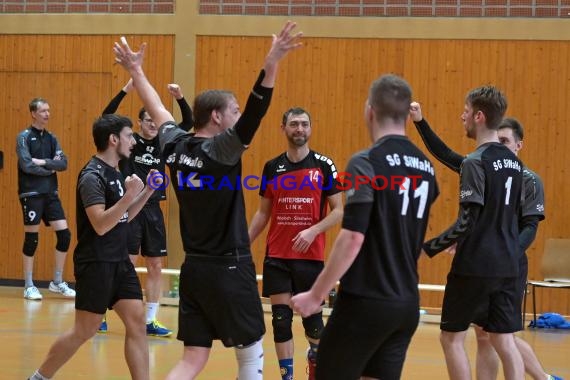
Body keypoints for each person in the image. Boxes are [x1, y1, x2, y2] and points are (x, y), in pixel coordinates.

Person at [113, 21, 302, 379]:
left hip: (195, 268)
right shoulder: (222, 150)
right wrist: (272, 60)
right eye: (232, 112)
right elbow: (257, 109)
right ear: (217, 116)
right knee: (250, 354)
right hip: (230, 265)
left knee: (193, 358)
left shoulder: (175, 145)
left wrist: (136, 70)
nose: (237, 119)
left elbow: (156, 109)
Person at [291, 74, 439, 380]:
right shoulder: (426, 166)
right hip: (406, 304)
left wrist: (316, 294)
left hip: (366, 301)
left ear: (370, 110)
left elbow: (353, 236)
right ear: (405, 116)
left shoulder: (366, 161)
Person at [409, 105, 558, 380]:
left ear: (518, 145)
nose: (498, 145)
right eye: (497, 139)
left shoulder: (528, 178)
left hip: (507, 260)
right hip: (488, 257)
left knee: (501, 337)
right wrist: (420, 122)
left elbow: (530, 228)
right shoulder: (481, 164)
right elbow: (445, 154)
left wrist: (505, 251)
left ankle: (544, 377)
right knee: (487, 336)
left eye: (504, 141)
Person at [28, 113, 157, 380]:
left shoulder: (118, 172)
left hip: (120, 262)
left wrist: (146, 193)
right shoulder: (91, 176)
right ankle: (39, 377)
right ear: (113, 139)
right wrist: (129, 195)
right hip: (96, 263)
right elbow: (100, 224)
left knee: (137, 323)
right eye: (129, 135)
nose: (133, 141)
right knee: (84, 330)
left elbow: (123, 217)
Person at [419, 86, 525, 380]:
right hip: (508, 263)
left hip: (476, 265)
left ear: (479, 116)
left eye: (465, 111)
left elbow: (468, 220)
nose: (461, 116)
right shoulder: (515, 163)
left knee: (451, 338)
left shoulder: (475, 162)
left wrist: (427, 247)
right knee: (504, 340)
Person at [248, 107, 343, 380]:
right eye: (293, 124)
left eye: (304, 124)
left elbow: (339, 210)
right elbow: (263, 213)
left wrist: (313, 231)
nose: (299, 129)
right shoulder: (272, 167)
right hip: (277, 255)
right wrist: (243, 244)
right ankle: (286, 377)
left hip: (310, 257)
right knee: (280, 322)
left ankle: (316, 362)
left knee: (313, 324)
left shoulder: (324, 165)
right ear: (283, 129)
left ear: (310, 129)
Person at [98, 80, 194, 336]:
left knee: (155, 264)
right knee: (123, 263)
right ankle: (101, 313)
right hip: (129, 208)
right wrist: (126, 90)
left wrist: (181, 98)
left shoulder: (166, 142)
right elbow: (106, 116)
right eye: (148, 119)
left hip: (153, 209)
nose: (153, 123)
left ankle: (150, 320)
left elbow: (188, 123)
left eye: (156, 120)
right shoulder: (129, 143)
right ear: (139, 122)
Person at [17, 98, 75, 300]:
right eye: (43, 111)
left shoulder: (51, 138)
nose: (47, 114)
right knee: (32, 238)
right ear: (33, 113)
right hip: (31, 193)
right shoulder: (23, 137)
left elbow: (64, 163)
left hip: (51, 193)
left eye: (48, 111)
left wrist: (43, 162)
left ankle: (57, 282)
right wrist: (50, 168)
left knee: (65, 235)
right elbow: (26, 165)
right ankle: (28, 285)